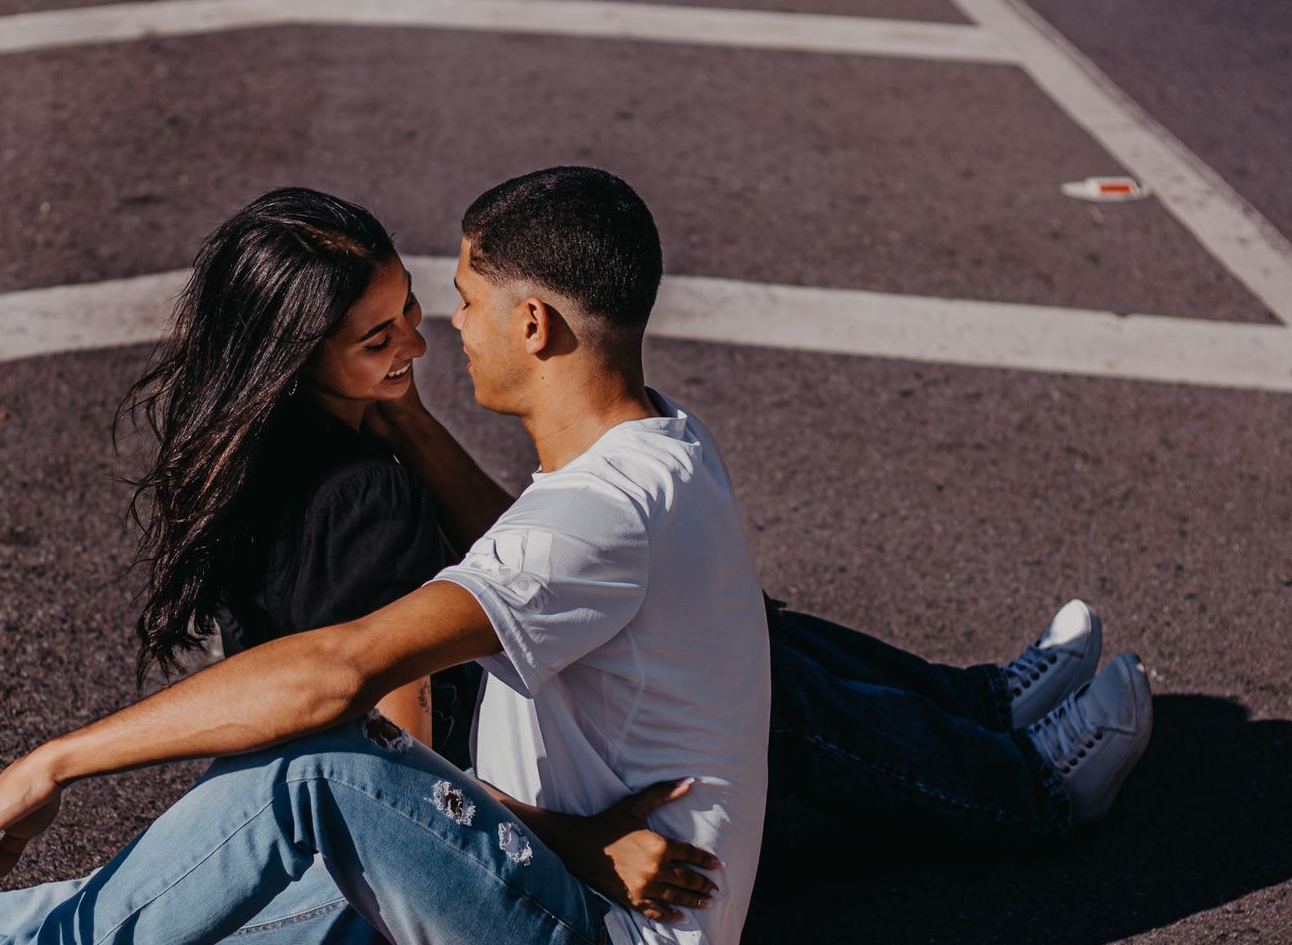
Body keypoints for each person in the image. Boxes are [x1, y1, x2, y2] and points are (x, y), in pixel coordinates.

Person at [0, 170, 1150, 945]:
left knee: (308, 786)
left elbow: (341, 677)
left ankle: (1009, 749)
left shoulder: (596, 517)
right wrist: (580, 835)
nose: (437, 329)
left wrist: (50, 760)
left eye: (452, 302)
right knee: (96, 933)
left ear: (535, 328)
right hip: (512, 916)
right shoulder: (656, 456)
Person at [121, 186, 1152, 844]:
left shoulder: (272, 443)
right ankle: (1024, 782)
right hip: (479, 769)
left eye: (413, 312)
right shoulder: (359, 496)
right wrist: (532, 845)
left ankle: (978, 703)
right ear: (299, 354)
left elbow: (497, 548)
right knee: (750, 675)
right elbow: (401, 726)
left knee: (719, 612)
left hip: (433, 721)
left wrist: (410, 421)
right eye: (379, 336)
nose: (423, 343)